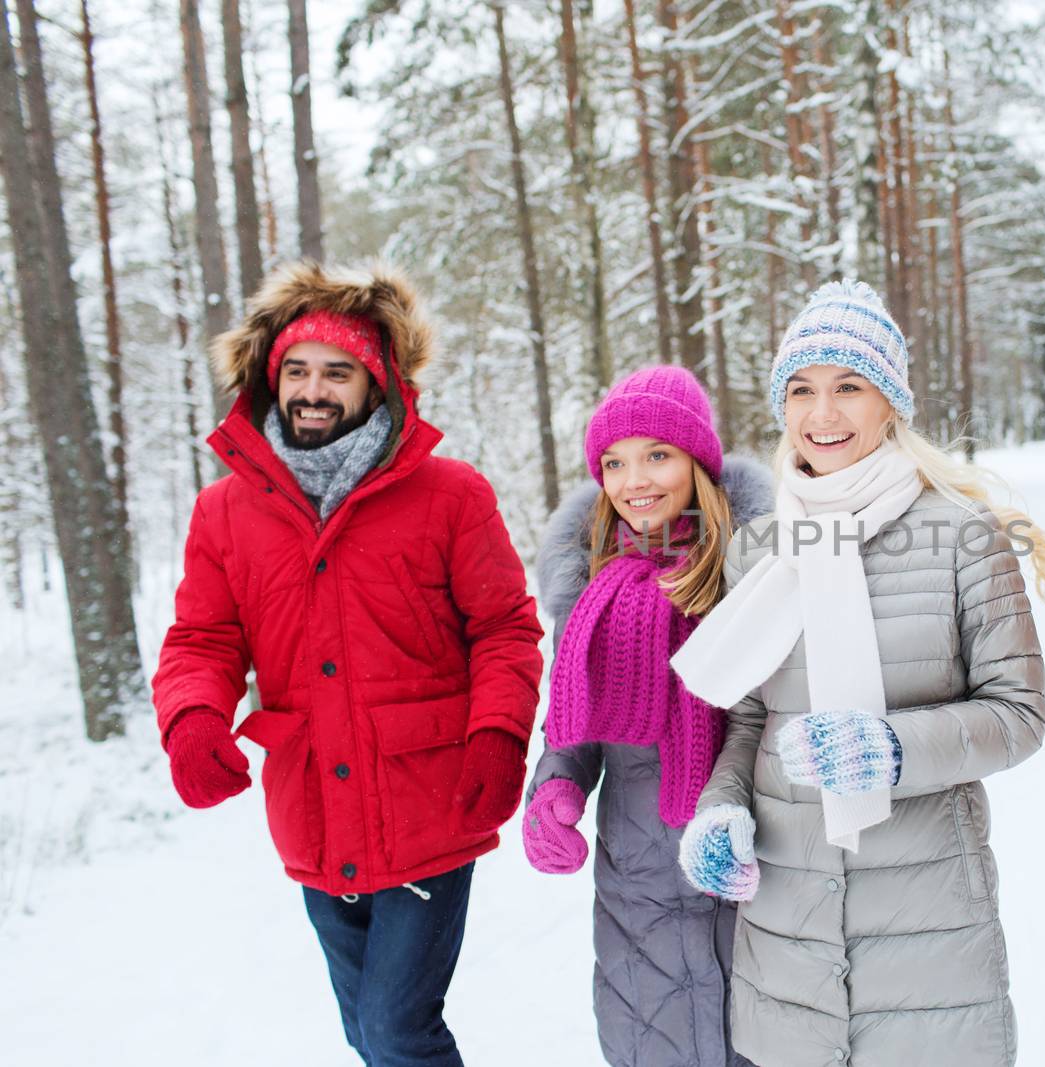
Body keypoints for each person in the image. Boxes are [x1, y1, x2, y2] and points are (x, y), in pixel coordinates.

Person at [151, 261, 542, 1066]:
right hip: (312, 809)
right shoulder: (223, 512)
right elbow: (202, 639)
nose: (313, 390)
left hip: (430, 801)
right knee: (366, 1031)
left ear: (378, 383)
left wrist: (500, 732)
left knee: (399, 1029)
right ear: (271, 378)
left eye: (338, 371)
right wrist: (192, 718)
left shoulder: (450, 496)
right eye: (296, 370)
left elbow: (504, 628)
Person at [671, 280, 1045, 1066]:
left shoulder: (962, 533)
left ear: (891, 403)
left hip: (929, 929)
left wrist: (894, 748)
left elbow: (1020, 713)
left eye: (849, 386)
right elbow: (748, 721)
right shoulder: (759, 546)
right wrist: (720, 809)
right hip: (787, 933)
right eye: (803, 390)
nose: (824, 414)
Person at [521, 365, 771, 1066]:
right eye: (615, 461)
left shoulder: (755, 576)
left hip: (750, 869)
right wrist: (555, 786)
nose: (636, 479)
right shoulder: (594, 587)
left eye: (657, 454)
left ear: (699, 460)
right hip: (640, 891)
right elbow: (574, 717)